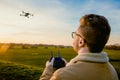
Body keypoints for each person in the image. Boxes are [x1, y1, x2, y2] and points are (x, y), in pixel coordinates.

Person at [39, 14, 119, 80]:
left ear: (81, 41)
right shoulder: (112, 70)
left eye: (75, 34)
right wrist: (69, 66)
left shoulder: (62, 76)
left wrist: (48, 68)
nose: (74, 37)